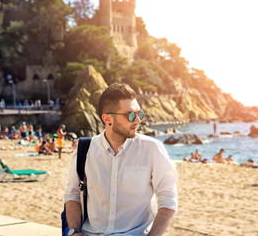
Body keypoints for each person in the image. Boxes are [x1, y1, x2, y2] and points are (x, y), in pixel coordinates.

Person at [64, 83, 178, 236]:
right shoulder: (84, 150)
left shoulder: (152, 149)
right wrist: (73, 231)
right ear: (107, 119)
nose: (137, 120)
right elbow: (73, 195)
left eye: (140, 113)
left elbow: (168, 200)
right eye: (130, 115)